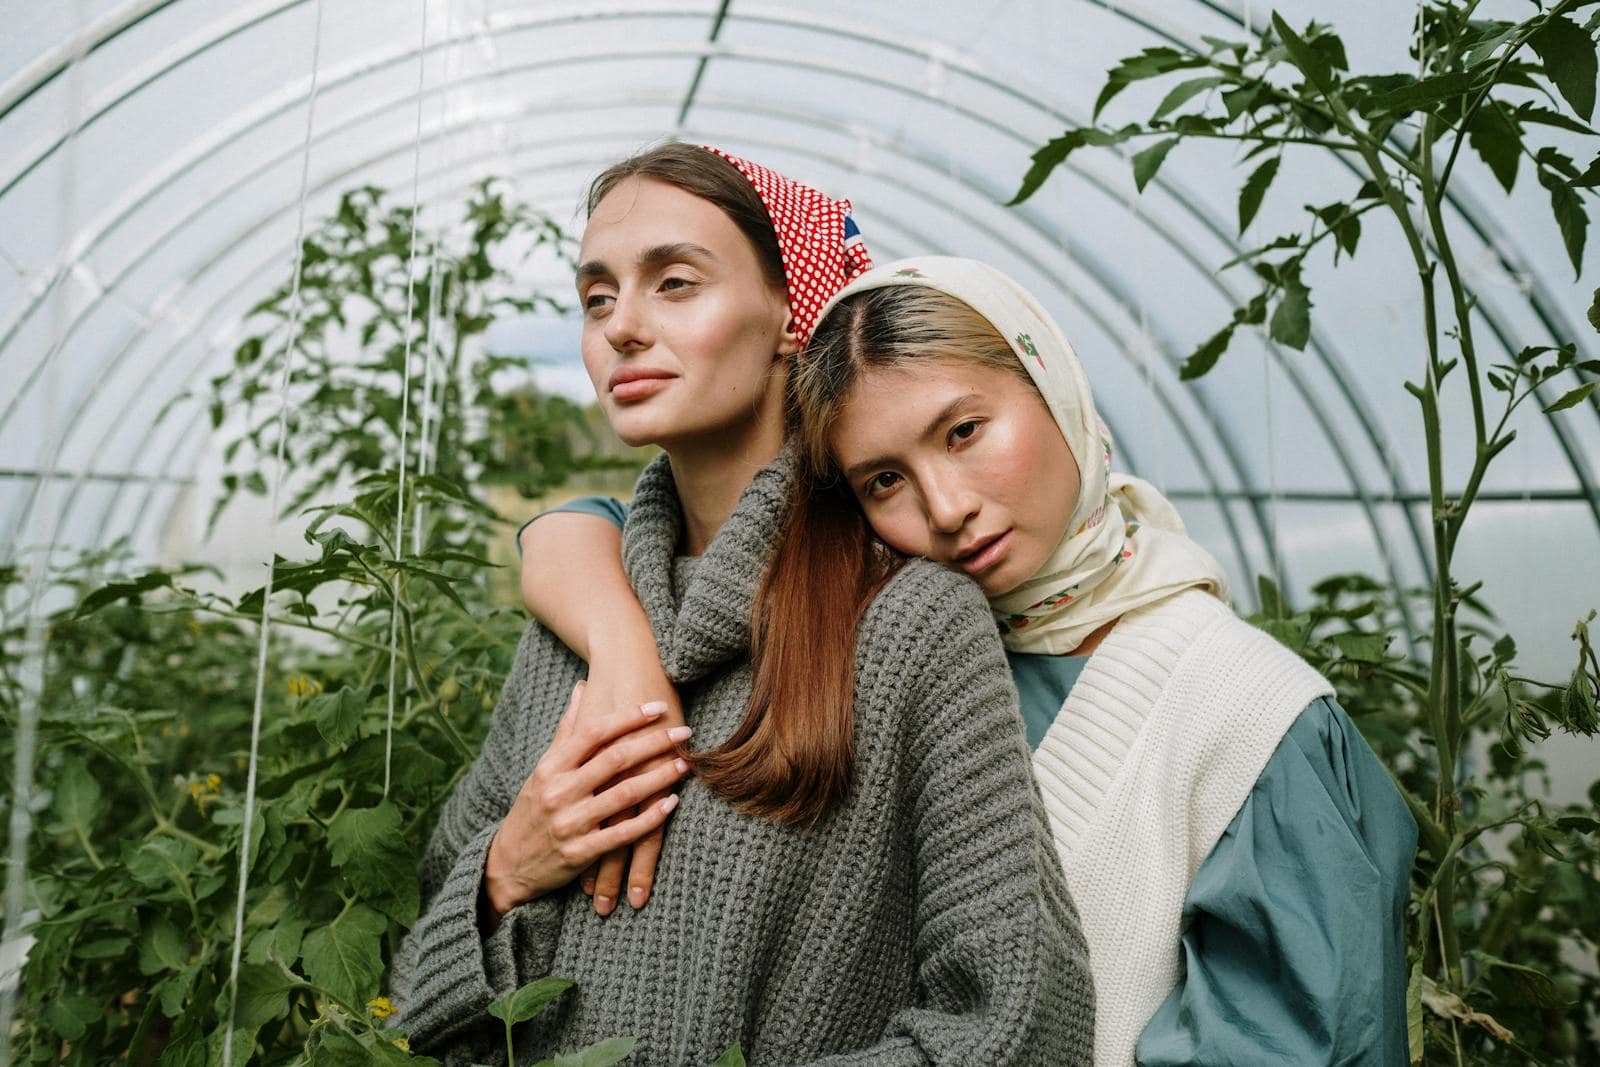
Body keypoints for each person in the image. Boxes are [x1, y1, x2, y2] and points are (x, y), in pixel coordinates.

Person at [519, 255, 1418, 1066]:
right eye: (883, 480)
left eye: (964, 431)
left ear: (1053, 383)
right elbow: (622, 521)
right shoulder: (875, 650)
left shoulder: (1250, 720)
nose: (946, 508)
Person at [392, 150, 1094, 1065]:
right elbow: (416, 980)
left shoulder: (910, 621)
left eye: (674, 283)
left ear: (791, 315)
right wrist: (504, 870)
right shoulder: (578, 629)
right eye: (597, 298)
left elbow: (1017, 1023)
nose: (623, 328)